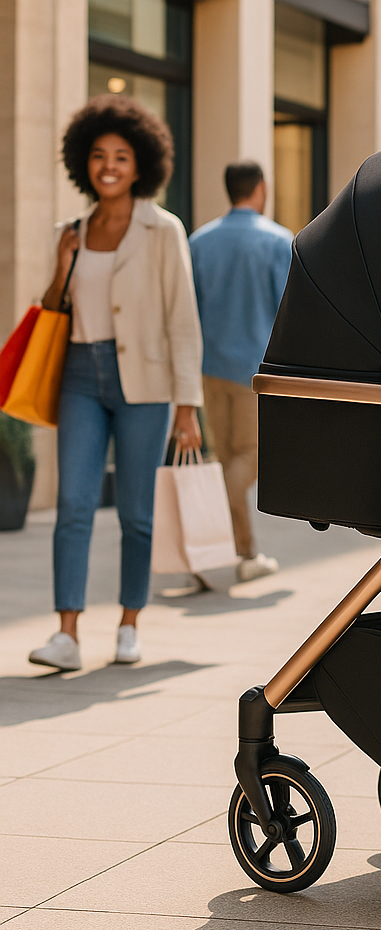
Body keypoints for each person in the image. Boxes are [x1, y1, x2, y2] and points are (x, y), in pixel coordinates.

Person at [29, 95, 203, 672]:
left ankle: (130, 621)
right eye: (99, 155)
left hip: (144, 385)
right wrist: (60, 265)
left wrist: (187, 404)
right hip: (79, 375)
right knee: (73, 506)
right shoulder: (70, 231)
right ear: (84, 162)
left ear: (140, 164)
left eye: (121, 156)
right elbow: (51, 309)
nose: (109, 165)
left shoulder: (162, 230)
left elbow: (182, 318)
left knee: (135, 511)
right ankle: (67, 633)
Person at [188, 161, 293, 581]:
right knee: (249, 458)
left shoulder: (199, 241)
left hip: (209, 367)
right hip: (255, 370)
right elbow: (289, 313)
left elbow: (189, 310)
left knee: (228, 458)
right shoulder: (277, 240)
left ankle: (242, 554)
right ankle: (212, 543)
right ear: (261, 189)